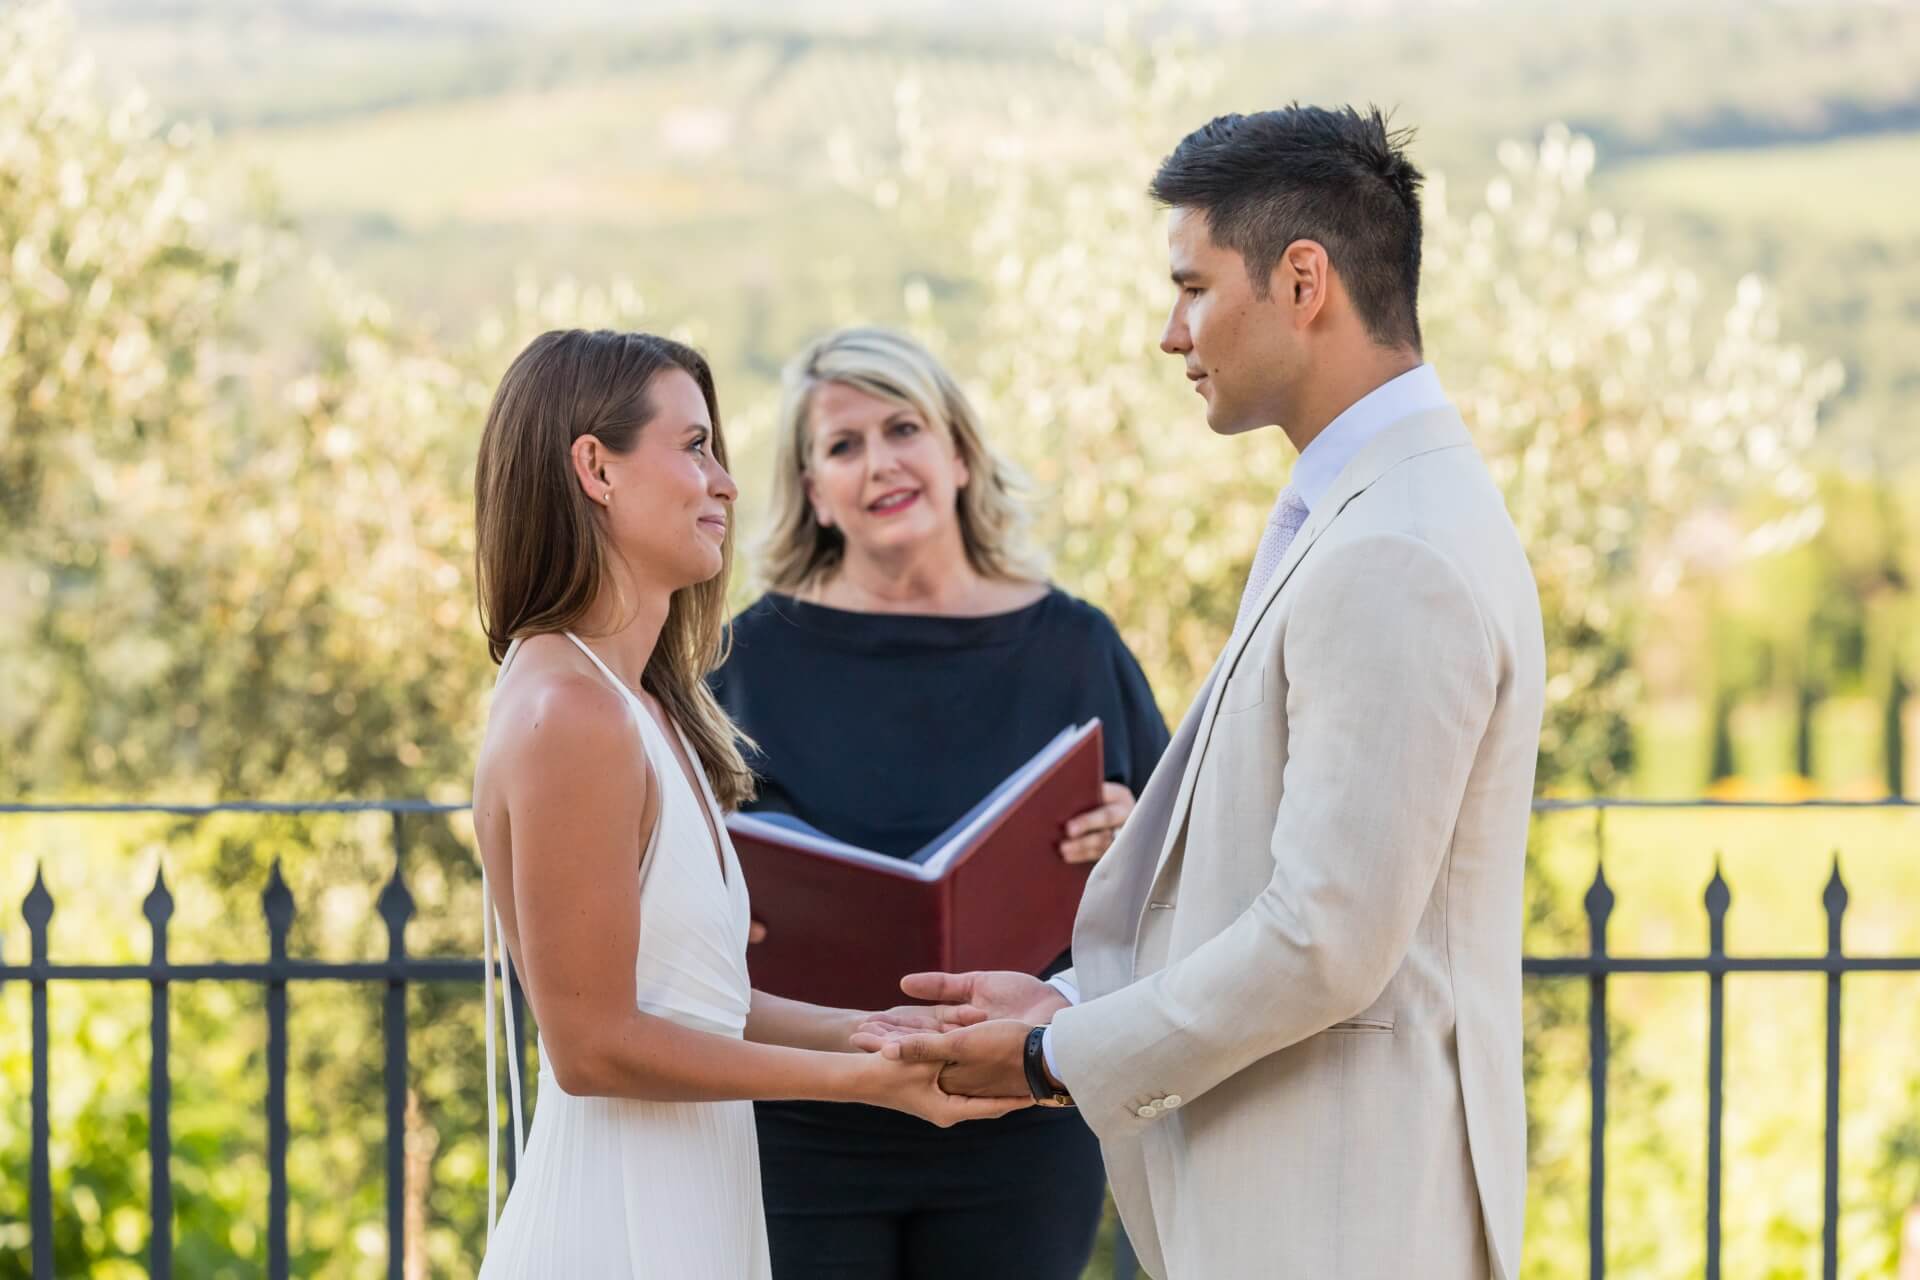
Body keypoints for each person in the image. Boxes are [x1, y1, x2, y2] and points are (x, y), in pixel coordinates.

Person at [875, 107, 1548, 1280]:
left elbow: (1325, 939)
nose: (1170, 331)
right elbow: (1270, 881)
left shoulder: (1396, 546)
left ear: (1303, 282)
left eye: (1192, 286)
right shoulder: (1374, 508)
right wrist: (1067, 998)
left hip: (1342, 1216)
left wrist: (1055, 1053)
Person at [467, 328, 1027, 1280]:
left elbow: (695, 1002)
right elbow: (594, 1047)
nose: (725, 482)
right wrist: (864, 1083)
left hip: (694, 1210)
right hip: (619, 1229)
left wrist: (877, 1031)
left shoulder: (641, 704)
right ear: (595, 468)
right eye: (694, 447)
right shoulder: (570, 711)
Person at [711, 325, 1171, 1279]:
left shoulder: (1077, 646)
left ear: (958, 453)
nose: (878, 463)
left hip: (1022, 1114)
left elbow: (1183, 884)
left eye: (902, 428)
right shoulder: (747, 658)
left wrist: (1135, 838)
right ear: (812, 492)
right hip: (808, 1115)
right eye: (842, 446)